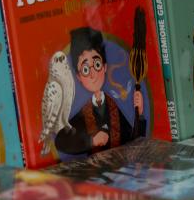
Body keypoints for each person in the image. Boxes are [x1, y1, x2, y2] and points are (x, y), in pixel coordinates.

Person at [54, 26, 145, 157]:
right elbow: (61, 141)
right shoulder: (82, 114)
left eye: (97, 65)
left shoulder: (114, 108)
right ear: (79, 77)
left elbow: (135, 142)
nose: (93, 75)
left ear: (104, 67)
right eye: (85, 69)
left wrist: (139, 114)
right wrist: (91, 141)